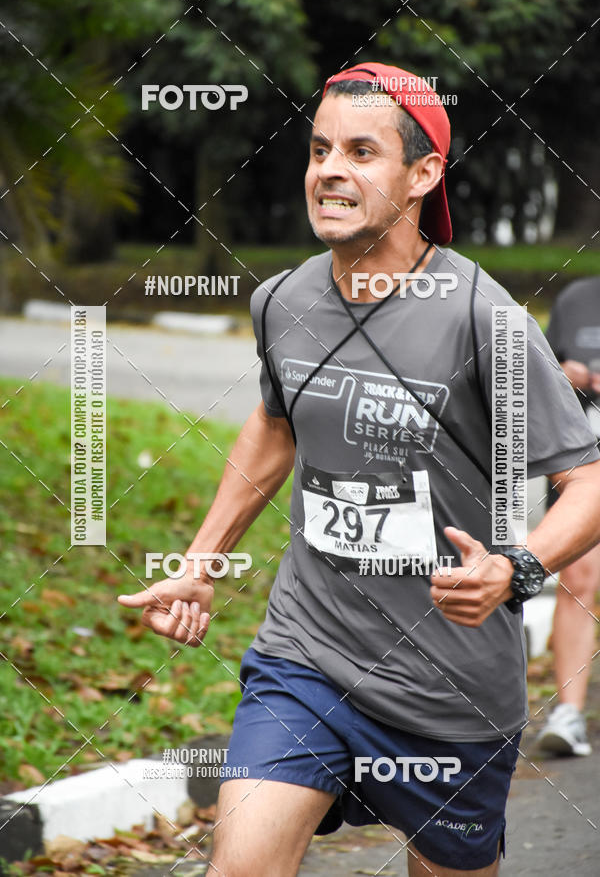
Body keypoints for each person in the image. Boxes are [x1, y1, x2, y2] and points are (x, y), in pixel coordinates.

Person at [118, 63, 600, 877]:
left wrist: (516, 569)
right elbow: (274, 426)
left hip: (449, 690)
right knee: (239, 866)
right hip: (306, 654)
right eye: (318, 149)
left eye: (361, 152)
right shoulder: (282, 300)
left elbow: (585, 481)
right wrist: (201, 562)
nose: (329, 170)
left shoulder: (485, 320)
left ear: (422, 174)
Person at [535, 277, 600, 757]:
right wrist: (565, 374)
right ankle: (568, 713)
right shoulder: (576, 298)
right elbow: (535, 376)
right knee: (577, 574)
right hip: (581, 463)